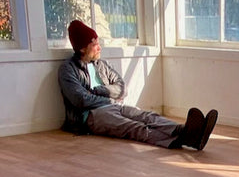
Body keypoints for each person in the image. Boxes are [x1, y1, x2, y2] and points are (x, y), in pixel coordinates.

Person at [58, 19, 218, 150]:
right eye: (94, 44)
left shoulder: (101, 64)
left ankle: (185, 131)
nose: (99, 47)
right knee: (134, 126)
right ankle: (182, 140)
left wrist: (102, 90)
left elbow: (122, 88)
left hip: (113, 105)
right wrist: (109, 99)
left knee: (147, 116)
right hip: (90, 116)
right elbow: (81, 99)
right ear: (82, 48)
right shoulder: (67, 69)